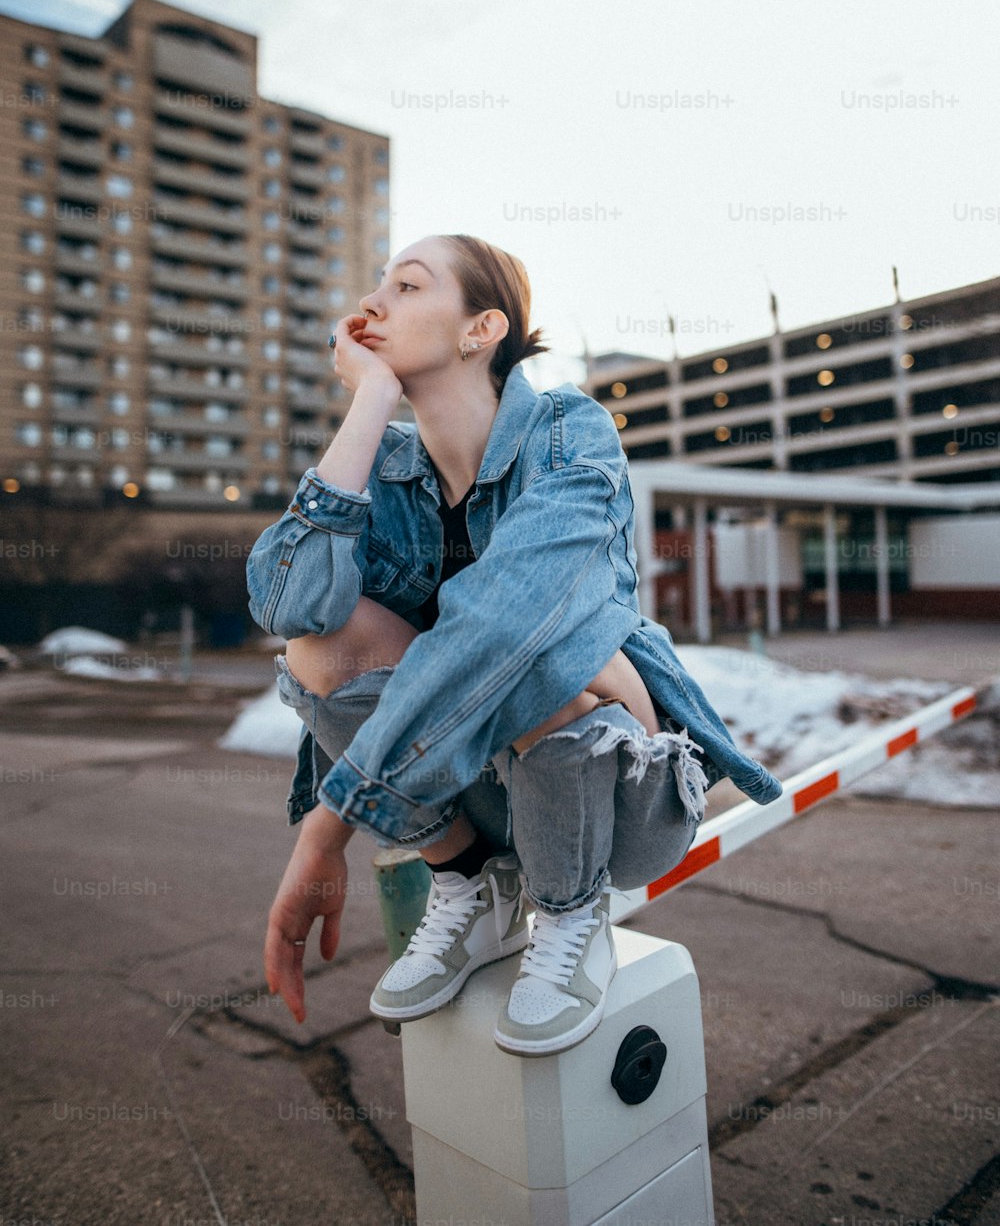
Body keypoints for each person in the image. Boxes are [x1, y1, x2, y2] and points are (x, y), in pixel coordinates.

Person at [247, 233, 783, 1057]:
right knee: (321, 650)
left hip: (618, 803)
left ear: (481, 328)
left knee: (546, 650)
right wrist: (368, 406)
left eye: (408, 285)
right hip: (474, 793)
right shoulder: (386, 463)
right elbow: (287, 604)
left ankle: (573, 918)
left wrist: (327, 832)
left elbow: (505, 621)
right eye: (376, 284)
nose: (371, 303)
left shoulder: (571, 432)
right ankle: (469, 880)